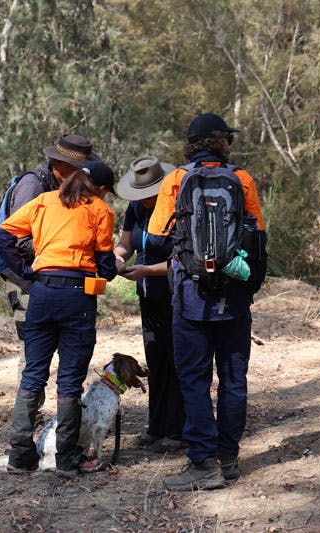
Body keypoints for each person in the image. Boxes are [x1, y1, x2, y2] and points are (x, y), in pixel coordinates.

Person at [145, 113, 266, 491]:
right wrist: (248, 288)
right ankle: (228, 458)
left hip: (191, 297)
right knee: (233, 379)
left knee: (194, 381)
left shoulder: (176, 180)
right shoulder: (242, 179)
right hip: (233, 300)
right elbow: (258, 242)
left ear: (191, 144)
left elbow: (155, 242)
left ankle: (203, 463)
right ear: (220, 142)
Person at [0, 160, 117, 478]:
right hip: (77, 297)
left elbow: (3, 234)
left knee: (33, 373)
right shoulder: (100, 210)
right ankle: (66, 459)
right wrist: (111, 268)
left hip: (43, 293)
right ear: (100, 189)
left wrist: (25, 273)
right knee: (70, 380)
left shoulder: (45, 201)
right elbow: (104, 263)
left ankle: (19, 456)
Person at [114, 156, 186, 453]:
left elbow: (184, 258)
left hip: (175, 292)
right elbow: (126, 243)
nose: (141, 201)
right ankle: (156, 426)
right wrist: (118, 258)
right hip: (148, 295)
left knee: (176, 360)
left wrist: (146, 270)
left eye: (146, 196)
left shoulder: (176, 206)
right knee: (155, 361)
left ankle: (178, 429)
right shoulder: (135, 208)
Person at [0, 134, 100, 344]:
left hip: (52, 281)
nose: (82, 173)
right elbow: (15, 238)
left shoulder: (63, 186)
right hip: (26, 279)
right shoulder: (33, 185)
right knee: (33, 351)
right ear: (59, 163)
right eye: (77, 167)